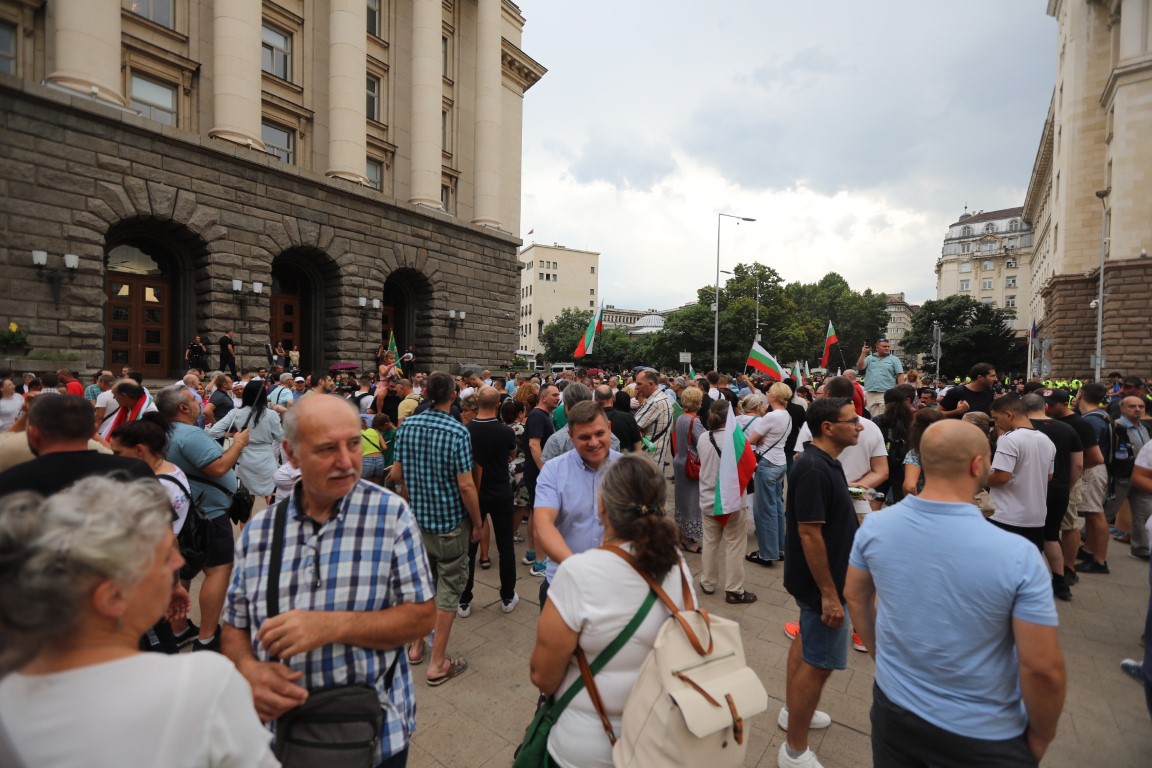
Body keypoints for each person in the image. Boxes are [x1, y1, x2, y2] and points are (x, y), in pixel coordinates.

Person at [0, 478, 277, 767]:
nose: (179, 564)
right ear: (112, 596)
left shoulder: (10, 692)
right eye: (164, 558)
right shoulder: (204, 683)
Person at [222, 395, 435, 767]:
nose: (346, 461)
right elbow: (234, 624)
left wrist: (330, 625)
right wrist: (249, 668)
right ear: (291, 453)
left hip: (374, 732)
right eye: (326, 448)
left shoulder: (390, 515)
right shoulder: (260, 532)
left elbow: (421, 617)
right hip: (281, 734)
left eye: (353, 443)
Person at [845, 420, 1066, 766]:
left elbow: (856, 598)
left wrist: (881, 658)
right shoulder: (1018, 555)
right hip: (983, 731)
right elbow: (1042, 667)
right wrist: (1041, 736)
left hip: (895, 710)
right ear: (977, 465)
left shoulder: (876, 526)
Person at [528, 454, 693, 768]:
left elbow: (543, 676)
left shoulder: (577, 574)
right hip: (658, 737)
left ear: (602, 507)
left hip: (586, 746)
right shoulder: (678, 566)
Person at [779, 397, 862, 768]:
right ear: (828, 427)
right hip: (822, 582)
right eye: (852, 420)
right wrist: (830, 593)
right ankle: (795, 750)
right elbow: (810, 534)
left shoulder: (823, 462)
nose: (859, 425)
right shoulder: (814, 467)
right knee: (820, 663)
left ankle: (793, 712)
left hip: (821, 579)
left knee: (806, 643)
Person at [390, 372, 482, 686]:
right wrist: (478, 522)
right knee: (448, 590)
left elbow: (397, 474)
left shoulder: (408, 426)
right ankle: (437, 662)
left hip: (417, 523)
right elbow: (467, 486)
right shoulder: (458, 432)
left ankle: (416, 645)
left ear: (426, 393)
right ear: (453, 396)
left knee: (422, 585)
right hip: (449, 525)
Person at [157, 384, 249, 651]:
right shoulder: (189, 434)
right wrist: (240, 443)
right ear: (183, 408)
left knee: (184, 569)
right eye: (195, 399)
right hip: (207, 513)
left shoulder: (162, 432)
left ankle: (179, 628)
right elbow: (219, 467)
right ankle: (208, 637)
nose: (200, 402)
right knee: (218, 570)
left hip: (183, 513)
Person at [534, 400, 621, 606]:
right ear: (571, 437)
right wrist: (577, 568)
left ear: (609, 429)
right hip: (563, 583)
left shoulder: (627, 469)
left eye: (599, 434)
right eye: (584, 437)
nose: (593, 442)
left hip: (613, 585)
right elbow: (543, 524)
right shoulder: (554, 470)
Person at [460, 387, 520, 615]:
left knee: (469, 548)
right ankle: (507, 597)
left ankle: (464, 600)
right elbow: (511, 455)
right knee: (505, 547)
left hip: (475, 493)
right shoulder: (505, 432)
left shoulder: (466, 431)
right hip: (500, 491)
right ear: (497, 405)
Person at [1023, 392, 1083, 601]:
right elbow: (1078, 464)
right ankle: (1060, 582)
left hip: (1028, 490)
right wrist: (1067, 486)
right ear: (1045, 407)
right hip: (1058, 489)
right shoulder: (1068, 429)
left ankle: (1027, 582)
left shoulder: (1021, 429)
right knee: (1051, 535)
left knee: (1026, 536)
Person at [696, 398, 756, 604]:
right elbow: (750, 465)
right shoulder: (738, 438)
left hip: (707, 498)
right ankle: (734, 589)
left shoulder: (703, 438)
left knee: (710, 542)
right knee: (735, 545)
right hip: (733, 501)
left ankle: (708, 582)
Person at [207, 379, 283, 504]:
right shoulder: (271, 414)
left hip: (244, 456)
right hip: (265, 457)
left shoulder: (236, 413)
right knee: (269, 494)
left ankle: (247, 524)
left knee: (245, 499)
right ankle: (271, 522)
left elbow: (213, 432)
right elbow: (281, 437)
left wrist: (232, 435)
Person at [746, 382, 792, 567]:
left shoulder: (772, 416)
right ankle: (779, 547)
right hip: (779, 462)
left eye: (770, 391)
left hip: (767, 464)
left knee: (764, 511)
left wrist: (758, 441)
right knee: (776, 508)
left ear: (775, 396)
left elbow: (751, 439)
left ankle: (767, 553)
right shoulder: (786, 415)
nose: (767, 393)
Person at [522, 382, 560, 576]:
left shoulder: (542, 415)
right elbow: (533, 445)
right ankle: (539, 562)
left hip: (535, 472)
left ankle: (530, 553)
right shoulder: (538, 416)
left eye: (558, 394)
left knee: (534, 511)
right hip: (538, 473)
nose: (558, 397)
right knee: (540, 516)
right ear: (543, 397)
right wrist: (544, 470)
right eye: (554, 395)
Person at [671, 385, 706, 552]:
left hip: (680, 461)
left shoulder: (680, 418)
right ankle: (686, 538)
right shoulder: (694, 421)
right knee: (691, 500)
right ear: (697, 402)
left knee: (682, 500)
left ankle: (681, 533)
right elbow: (704, 441)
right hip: (691, 464)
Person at [871, 387, 914, 504]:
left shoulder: (877, 420)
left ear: (885, 402)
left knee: (875, 500)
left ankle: (871, 522)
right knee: (901, 502)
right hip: (902, 466)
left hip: (880, 463)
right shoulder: (911, 421)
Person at [633, 368, 675, 469]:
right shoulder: (663, 397)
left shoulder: (655, 402)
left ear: (651, 384)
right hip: (654, 460)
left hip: (648, 461)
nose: (636, 387)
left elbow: (632, 428)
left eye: (639, 384)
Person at [901, 408, 945, 497]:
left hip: (929, 504)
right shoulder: (954, 449)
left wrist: (915, 505)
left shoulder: (915, 454)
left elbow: (909, 486)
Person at [855, 338, 906, 414]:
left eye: (888, 346)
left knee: (886, 415)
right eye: (884, 346)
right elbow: (859, 367)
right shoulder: (869, 358)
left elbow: (900, 376)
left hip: (887, 392)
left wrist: (901, 393)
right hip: (871, 392)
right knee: (873, 416)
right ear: (877, 347)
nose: (887, 348)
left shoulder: (894, 359)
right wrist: (863, 353)